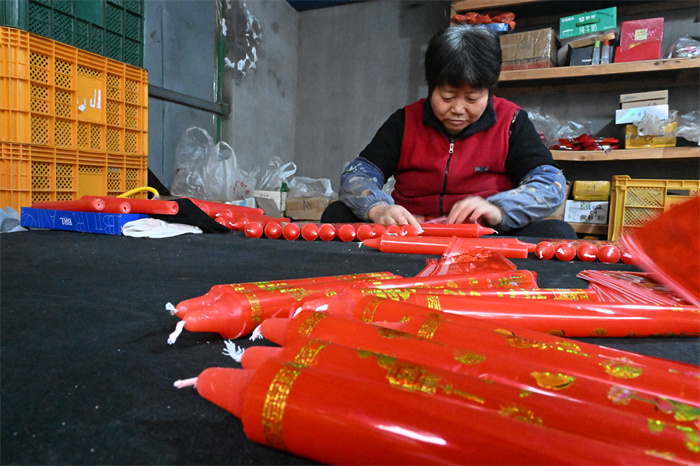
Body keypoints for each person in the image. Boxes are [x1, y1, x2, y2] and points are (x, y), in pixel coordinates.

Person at [321, 24, 576, 239]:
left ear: (489, 92)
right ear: (431, 88)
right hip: (411, 232)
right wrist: (377, 208)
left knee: (557, 232)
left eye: (472, 98)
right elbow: (359, 174)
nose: (458, 109)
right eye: (447, 96)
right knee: (336, 215)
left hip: (486, 234)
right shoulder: (405, 121)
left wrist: (498, 209)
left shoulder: (511, 121)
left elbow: (549, 184)